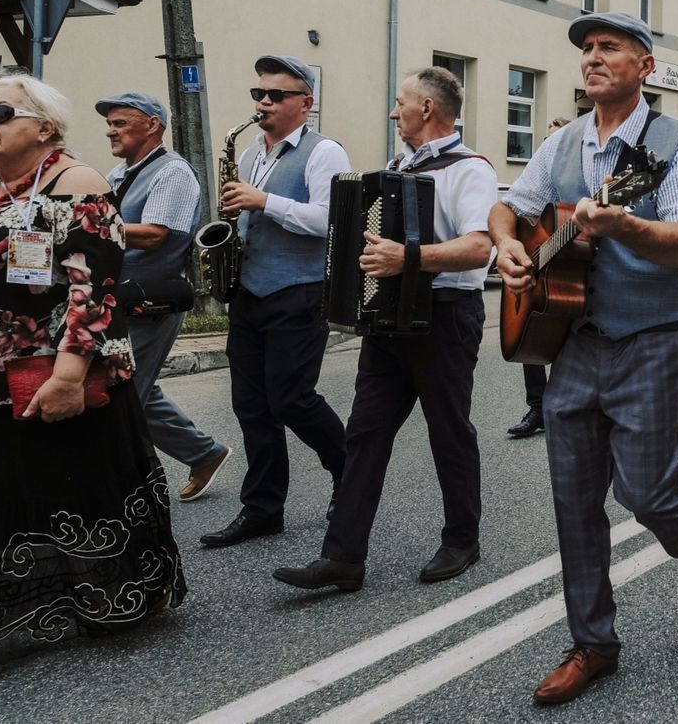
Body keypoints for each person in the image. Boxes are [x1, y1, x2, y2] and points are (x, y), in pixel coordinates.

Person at [488, 12, 678, 705]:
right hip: (574, 345)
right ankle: (594, 644)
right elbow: (511, 210)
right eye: (587, 49)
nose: (592, 58)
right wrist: (507, 246)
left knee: (647, 492)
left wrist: (623, 224)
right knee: (574, 503)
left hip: (650, 338)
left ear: (645, 65)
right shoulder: (561, 143)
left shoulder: (675, 143)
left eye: (609, 47)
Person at [0, 74, 185, 672]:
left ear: (45, 127)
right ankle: (8, 604)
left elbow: (94, 291)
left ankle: (105, 596)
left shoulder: (77, 181)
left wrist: (67, 375)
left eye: (1, 111)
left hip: (54, 370)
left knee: (79, 489)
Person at [274, 67, 496, 593]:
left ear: (427, 109)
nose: (394, 113)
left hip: (445, 316)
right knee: (365, 434)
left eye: (401, 104)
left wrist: (409, 257)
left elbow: (479, 248)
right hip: (388, 318)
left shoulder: (471, 170)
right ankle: (343, 557)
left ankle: (463, 538)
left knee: (449, 431)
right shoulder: (398, 167)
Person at [201, 55, 351, 549]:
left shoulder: (324, 152)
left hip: (299, 290)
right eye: (258, 94)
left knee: (292, 398)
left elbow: (331, 220)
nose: (263, 103)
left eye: (276, 95)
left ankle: (350, 475)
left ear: (305, 103)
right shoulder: (248, 155)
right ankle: (262, 509)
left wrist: (263, 202)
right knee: (251, 407)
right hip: (251, 291)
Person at [99, 91, 231, 502]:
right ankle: (203, 453)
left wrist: (90, 225)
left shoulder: (173, 172)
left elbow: (156, 233)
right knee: (136, 386)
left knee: (119, 395)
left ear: (152, 124)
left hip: (149, 300)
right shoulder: (117, 174)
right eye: (111, 123)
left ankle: (111, 490)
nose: (111, 130)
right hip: (117, 297)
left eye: (121, 122)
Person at [509, 117, 571, 440]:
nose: (549, 146)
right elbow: (520, 212)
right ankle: (537, 406)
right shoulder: (540, 173)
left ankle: (562, 409)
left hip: (571, 268)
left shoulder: (578, 174)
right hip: (543, 257)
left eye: (555, 140)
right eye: (545, 140)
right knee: (527, 329)